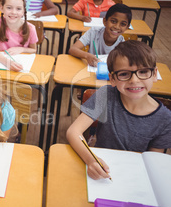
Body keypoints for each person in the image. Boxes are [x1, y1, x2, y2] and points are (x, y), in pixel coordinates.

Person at [66, 40, 171, 180]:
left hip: (136, 178)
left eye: (143, 72)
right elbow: (73, 131)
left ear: (154, 74)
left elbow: (153, 163)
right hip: (101, 169)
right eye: (124, 74)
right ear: (112, 79)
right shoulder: (106, 95)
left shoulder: (165, 119)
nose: (134, 80)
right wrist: (91, 159)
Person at [0, 0, 38, 72]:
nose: (13, 12)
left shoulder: (31, 28)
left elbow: (34, 50)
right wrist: (8, 62)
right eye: (9, 8)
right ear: (1, 8)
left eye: (18, 9)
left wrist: (21, 49)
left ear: (23, 11)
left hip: (21, 67)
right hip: (1, 64)